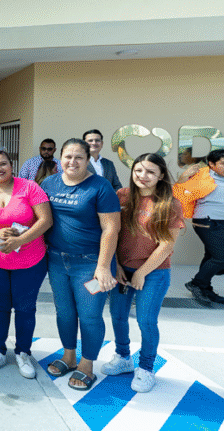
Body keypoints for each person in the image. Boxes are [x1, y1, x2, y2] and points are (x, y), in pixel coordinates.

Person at [40, 138, 121, 391]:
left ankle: (87, 365)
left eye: (79, 157)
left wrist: (103, 266)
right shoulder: (49, 183)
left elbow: (111, 228)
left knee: (89, 315)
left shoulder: (100, 186)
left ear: (88, 160)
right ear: (60, 158)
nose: (72, 162)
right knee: (64, 313)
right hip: (56, 260)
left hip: (90, 263)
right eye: (68, 156)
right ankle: (69, 356)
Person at [103, 153, 184, 393]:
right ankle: (123, 357)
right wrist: (116, 265)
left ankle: (146, 368)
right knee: (117, 315)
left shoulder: (170, 204)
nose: (143, 176)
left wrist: (141, 273)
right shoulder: (122, 196)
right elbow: (112, 233)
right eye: (138, 170)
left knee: (146, 321)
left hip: (154, 272)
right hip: (122, 269)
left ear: (161, 175)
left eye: (150, 172)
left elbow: (166, 245)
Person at [0, 149, 52, 378]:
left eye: (3, 164)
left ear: (11, 165)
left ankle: (23, 352)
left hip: (30, 260)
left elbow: (46, 220)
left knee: (25, 308)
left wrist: (20, 240)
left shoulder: (29, 187)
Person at [175, 149, 224, 305]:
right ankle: (197, 284)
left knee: (211, 256)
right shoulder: (202, 175)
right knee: (220, 257)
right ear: (211, 164)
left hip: (222, 221)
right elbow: (179, 192)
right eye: (223, 163)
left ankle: (205, 289)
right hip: (207, 220)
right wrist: (184, 176)